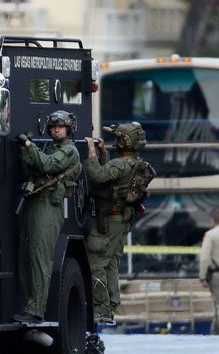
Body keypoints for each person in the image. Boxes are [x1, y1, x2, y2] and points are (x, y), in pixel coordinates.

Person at [13, 110, 81, 323]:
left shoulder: (69, 150)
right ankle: (29, 305)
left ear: (68, 129)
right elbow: (31, 167)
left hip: (48, 206)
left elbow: (48, 165)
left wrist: (29, 146)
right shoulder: (48, 148)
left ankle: (37, 310)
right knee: (26, 258)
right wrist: (27, 151)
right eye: (53, 127)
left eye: (60, 127)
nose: (56, 130)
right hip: (34, 203)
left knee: (40, 258)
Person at [83, 122, 149, 324]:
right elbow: (111, 175)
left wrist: (92, 153)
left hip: (110, 220)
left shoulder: (121, 164)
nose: (116, 142)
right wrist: (103, 153)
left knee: (95, 262)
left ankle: (101, 307)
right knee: (111, 262)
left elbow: (98, 175)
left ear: (125, 141)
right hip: (123, 219)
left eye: (118, 138)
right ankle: (111, 304)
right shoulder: (134, 164)